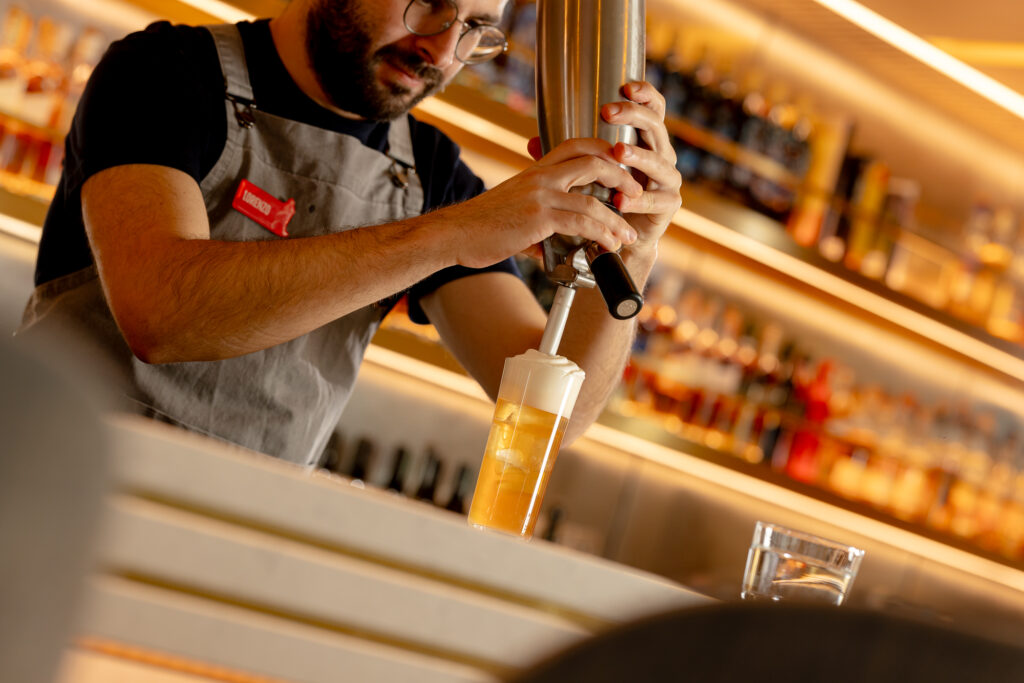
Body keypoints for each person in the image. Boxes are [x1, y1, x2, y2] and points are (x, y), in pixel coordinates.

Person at [19, 0, 682, 466]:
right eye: (429, 3)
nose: (443, 51)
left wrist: (637, 243)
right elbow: (164, 312)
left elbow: (549, 413)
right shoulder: (164, 71)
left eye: (477, 28)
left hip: (245, 536)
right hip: (57, 489)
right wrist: (450, 234)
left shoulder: (429, 173)